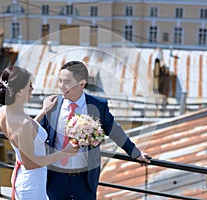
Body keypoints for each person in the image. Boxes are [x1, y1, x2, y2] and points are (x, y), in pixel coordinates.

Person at [40, 61, 151, 200]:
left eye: (66, 82)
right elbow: (37, 133)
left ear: (81, 84)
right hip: (56, 177)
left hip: (85, 179)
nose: (61, 86)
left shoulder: (98, 105)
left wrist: (135, 152)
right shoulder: (52, 105)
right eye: (60, 81)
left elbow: (114, 130)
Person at [0, 65, 79, 200]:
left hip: (25, 178)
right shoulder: (23, 124)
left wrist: (44, 111)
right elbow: (30, 163)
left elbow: (27, 134)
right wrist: (65, 153)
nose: (32, 89)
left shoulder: (5, 110)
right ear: (19, 92)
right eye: (29, 86)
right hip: (32, 185)